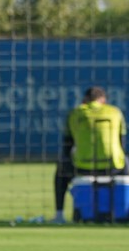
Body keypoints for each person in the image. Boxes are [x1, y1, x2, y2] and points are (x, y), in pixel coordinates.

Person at [53, 86, 128, 224]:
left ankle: (59, 215)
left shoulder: (75, 113)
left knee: (61, 168)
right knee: (125, 160)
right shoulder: (115, 112)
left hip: (83, 167)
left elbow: (67, 147)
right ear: (103, 100)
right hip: (113, 167)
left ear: (85, 100)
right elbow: (122, 144)